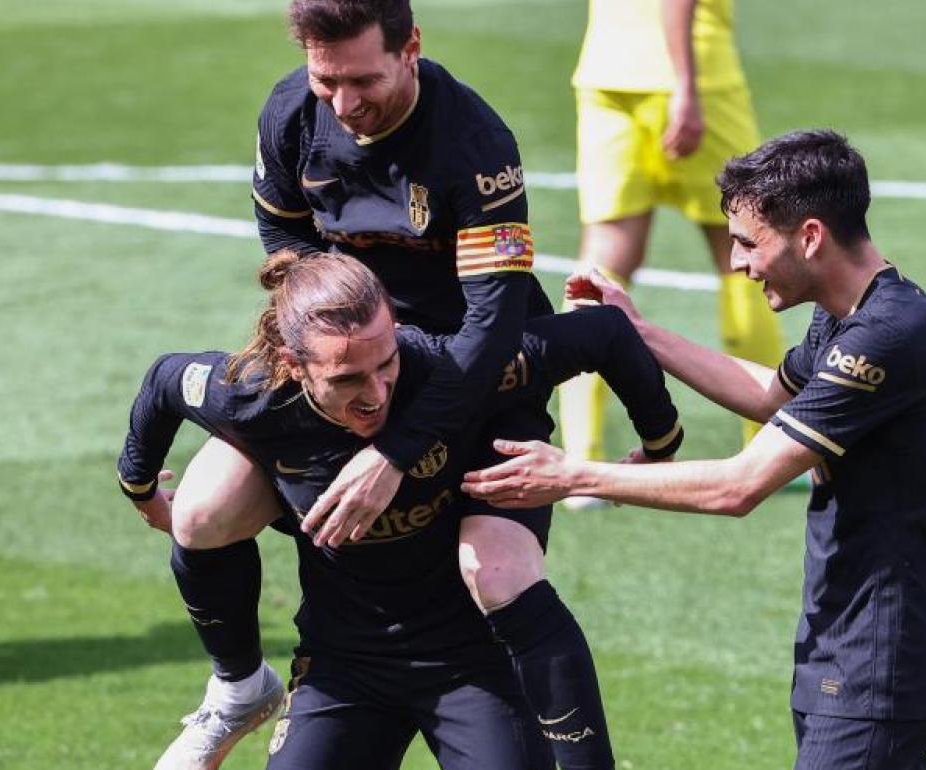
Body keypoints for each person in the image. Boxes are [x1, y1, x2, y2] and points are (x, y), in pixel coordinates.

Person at [148, 1, 621, 767]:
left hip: (470, 371)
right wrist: (333, 351)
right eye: (326, 79)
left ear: (411, 49)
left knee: (494, 567)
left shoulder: (475, 141)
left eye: (363, 79)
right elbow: (284, 246)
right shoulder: (291, 114)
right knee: (202, 510)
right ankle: (239, 683)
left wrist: (396, 448)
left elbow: (493, 321)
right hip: (349, 363)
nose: (344, 103)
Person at [464, 130, 926, 770]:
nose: (736, 262)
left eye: (749, 243)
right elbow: (773, 398)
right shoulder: (853, 314)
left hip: (880, 654)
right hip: (848, 639)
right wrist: (639, 333)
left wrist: (572, 475)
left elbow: (739, 487)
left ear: (810, 237)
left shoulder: (884, 338)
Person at [119, 252, 684, 769]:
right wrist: (140, 487)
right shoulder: (251, 395)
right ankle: (237, 688)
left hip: (473, 667)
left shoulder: (449, 375)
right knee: (203, 507)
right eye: (347, 379)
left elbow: (604, 333)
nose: (376, 393)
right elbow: (165, 382)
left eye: (385, 364)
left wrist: (660, 444)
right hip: (342, 667)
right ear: (294, 365)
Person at [559, 0, 782, 493]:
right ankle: (775, 444)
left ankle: (580, 456)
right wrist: (685, 81)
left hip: (607, 70)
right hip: (691, 74)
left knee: (605, 252)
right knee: (745, 246)